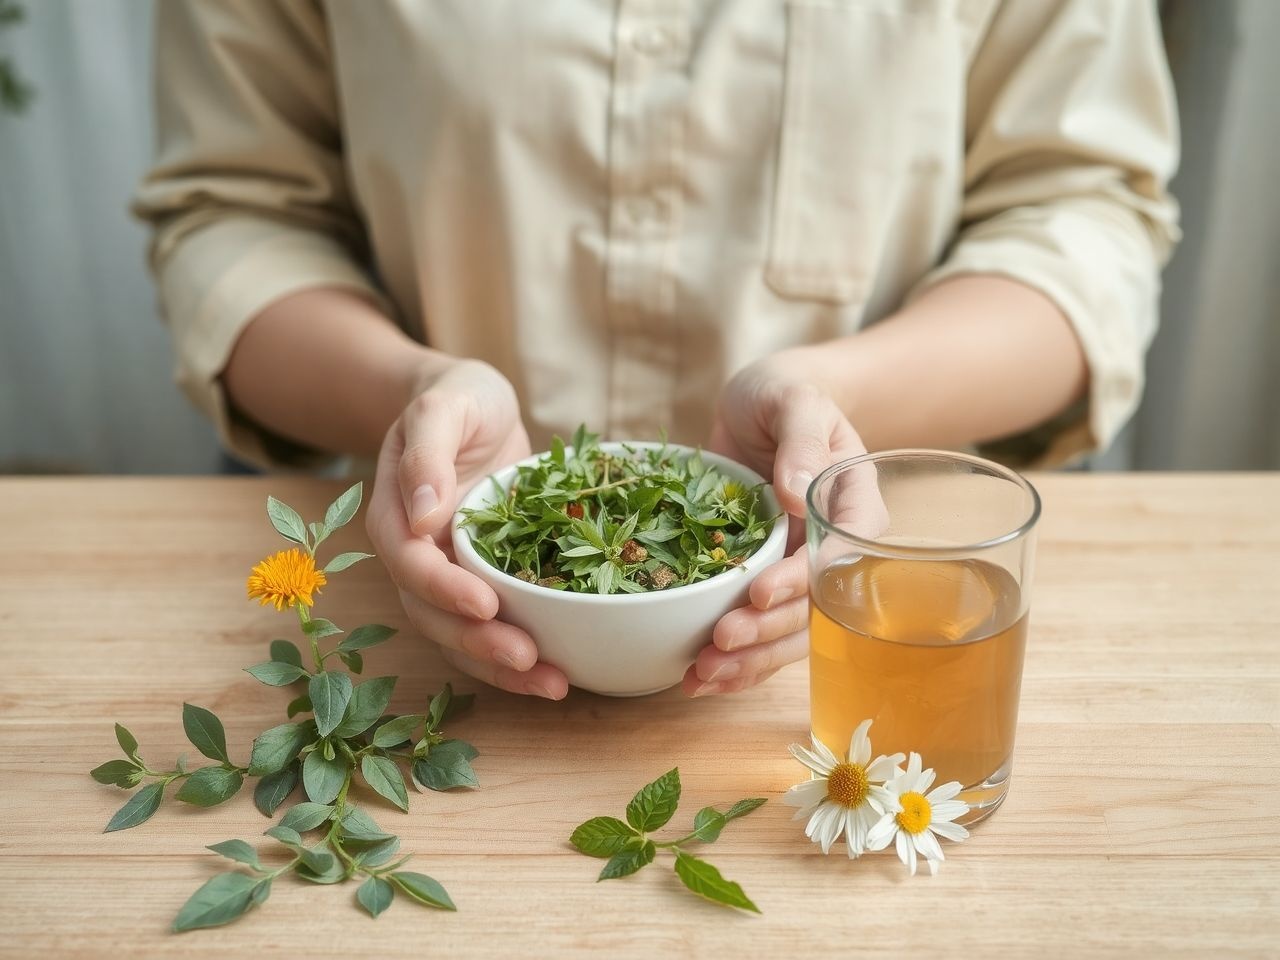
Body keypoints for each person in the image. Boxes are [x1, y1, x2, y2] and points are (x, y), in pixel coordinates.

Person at [133, 0, 1179, 701]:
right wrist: (410, 396)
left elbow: (1080, 215)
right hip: (411, 609)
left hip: (884, 590)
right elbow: (234, 216)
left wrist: (830, 406)